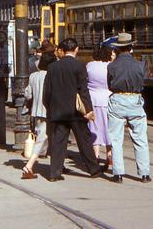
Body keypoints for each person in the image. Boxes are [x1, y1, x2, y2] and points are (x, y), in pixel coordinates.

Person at [42, 38, 103, 182]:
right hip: (76, 112)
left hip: (58, 110)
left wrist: (49, 108)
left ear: (62, 50)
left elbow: (47, 91)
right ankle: (93, 169)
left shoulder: (52, 67)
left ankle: (54, 173)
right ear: (76, 50)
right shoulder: (79, 66)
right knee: (84, 140)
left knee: (58, 142)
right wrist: (88, 109)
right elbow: (83, 91)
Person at [107, 33, 151, 183]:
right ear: (131, 47)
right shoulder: (140, 64)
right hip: (135, 100)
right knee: (140, 139)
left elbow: (109, 85)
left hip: (118, 100)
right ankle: (145, 173)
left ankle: (118, 174)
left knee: (116, 139)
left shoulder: (112, 66)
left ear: (118, 49)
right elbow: (143, 82)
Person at [21, 51, 57, 179]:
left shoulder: (33, 76)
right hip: (48, 111)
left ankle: (58, 165)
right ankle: (29, 166)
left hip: (36, 111)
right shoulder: (51, 75)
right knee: (42, 139)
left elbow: (28, 94)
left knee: (48, 139)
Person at [87, 44, 113, 168]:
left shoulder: (90, 66)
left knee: (94, 128)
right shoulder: (111, 67)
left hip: (93, 100)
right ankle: (109, 155)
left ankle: (96, 156)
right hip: (108, 100)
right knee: (110, 128)